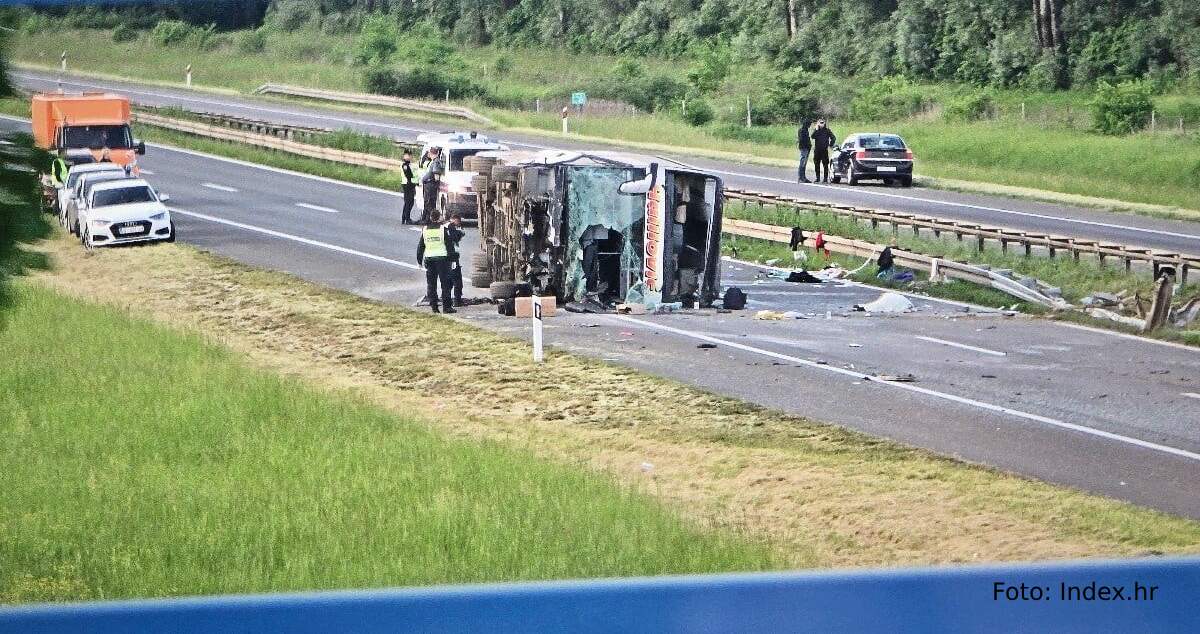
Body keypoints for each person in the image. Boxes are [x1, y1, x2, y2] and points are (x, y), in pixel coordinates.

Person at [417, 214, 455, 314]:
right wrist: (453, 259)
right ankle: (447, 307)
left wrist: (419, 261)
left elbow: (421, 246)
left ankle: (434, 306)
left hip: (430, 260)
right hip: (443, 260)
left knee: (431, 284)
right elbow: (449, 245)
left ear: (431, 218)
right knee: (446, 284)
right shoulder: (443, 230)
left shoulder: (425, 230)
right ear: (439, 218)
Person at [443, 213, 466, 307]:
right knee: (457, 280)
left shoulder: (443, 227)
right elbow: (456, 238)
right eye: (458, 223)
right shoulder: (451, 227)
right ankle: (457, 300)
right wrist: (460, 232)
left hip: (444, 257)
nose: (458, 225)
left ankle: (447, 299)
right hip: (452, 257)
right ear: (455, 220)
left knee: (447, 280)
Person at [418, 146, 444, 224]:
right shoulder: (434, 161)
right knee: (428, 202)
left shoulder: (436, 162)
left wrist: (425, 179)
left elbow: (434, 174)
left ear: (431, 153)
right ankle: (426, 218)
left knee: (429, 202)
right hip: (429, 184)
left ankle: (429, 219)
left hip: (430, 184)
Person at [811, 119, 836, 183]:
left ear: (824, 123)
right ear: (818, 123)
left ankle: (825, 179)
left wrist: (830, 145)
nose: (821, 124)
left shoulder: (827, 130)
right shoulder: (816, 130)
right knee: (817, 164)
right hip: (817, 150)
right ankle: (817, 178)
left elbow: (833, 138)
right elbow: (812, 136)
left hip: (824, 150)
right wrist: (816, 129)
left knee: (825, 164)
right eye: (820, 123)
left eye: (822, 122)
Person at [400, 150, 419, 224]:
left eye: (410, 155)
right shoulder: (405, 165)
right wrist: (416, 175)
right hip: (408, 184)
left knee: (409, 202)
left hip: (410, 184)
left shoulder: (409, 164)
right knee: (409, 202)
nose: (410, 157)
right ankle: (407, 219)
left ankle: (404, 217)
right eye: (408, 155)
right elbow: (409, 175)